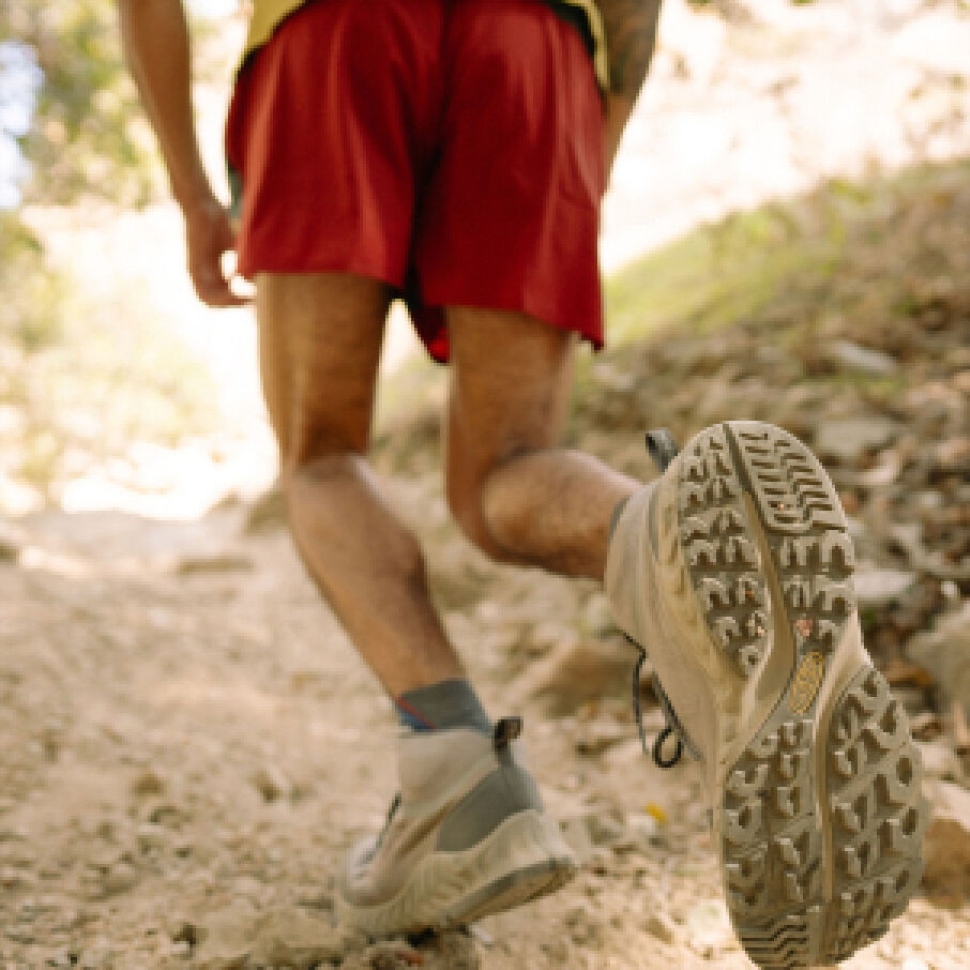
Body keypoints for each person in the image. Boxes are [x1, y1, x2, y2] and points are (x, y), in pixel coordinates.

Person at [118, 0, 927, 965]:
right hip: (535, 44)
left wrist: (191, 190)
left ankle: (452, 766)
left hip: (334, 36)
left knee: (322, 454)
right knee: (509, 468)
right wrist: (588, 148)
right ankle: (664, 532)